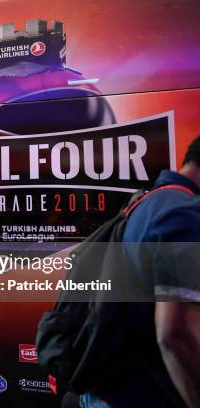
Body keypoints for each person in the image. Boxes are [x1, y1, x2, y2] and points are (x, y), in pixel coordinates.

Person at [80, 136, 200, 408]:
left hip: (106, 385)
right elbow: (174, 331)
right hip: (140, 392)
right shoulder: (185, 213)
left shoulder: (147, 202)